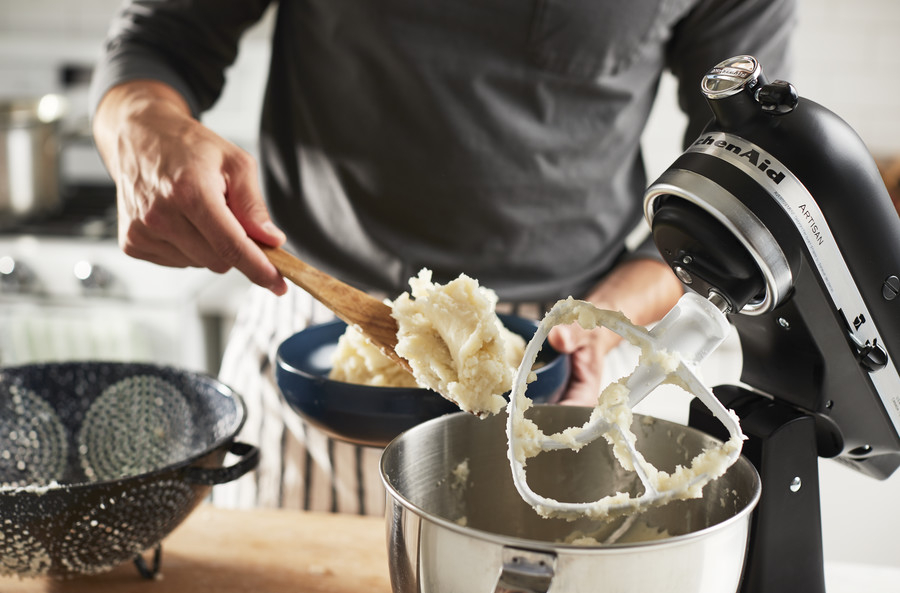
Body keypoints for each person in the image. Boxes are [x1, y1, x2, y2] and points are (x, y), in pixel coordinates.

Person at [90, 0, 795, 514]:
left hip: (565, 362)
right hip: (317, 345)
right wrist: (140, 128)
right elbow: (161, 41)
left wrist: (612, 315)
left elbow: (750, 176)